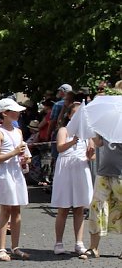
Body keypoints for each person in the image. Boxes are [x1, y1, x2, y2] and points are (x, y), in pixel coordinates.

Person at [0, 98, 31, 261]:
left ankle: (15, 247)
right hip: (4, 173)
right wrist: (13, 153)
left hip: (15, 171)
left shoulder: (18, 131)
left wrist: (25, 158)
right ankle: (0, 248)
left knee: (17, 210)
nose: (18, 113)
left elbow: (21, 153)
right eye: (14, 111)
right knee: (5, 210)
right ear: (4, 114)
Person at [51, 101, 93, 256]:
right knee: (63, 207)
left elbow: (92, 156)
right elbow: (60, 147)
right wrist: (72, 141)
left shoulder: (87, 133)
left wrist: (90, 153)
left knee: (79, 208)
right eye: (75, 113)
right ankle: (58, 242)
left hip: (80, 168)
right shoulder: (64, 130)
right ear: (69, 115)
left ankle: (79, 242)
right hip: (66, 168)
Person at [83, 133, 122, 259]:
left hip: (120, 173)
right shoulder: (107, 124)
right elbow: (99, 143)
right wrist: (91, 133)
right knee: (96, 208)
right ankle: (93, 248)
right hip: (104, 172)